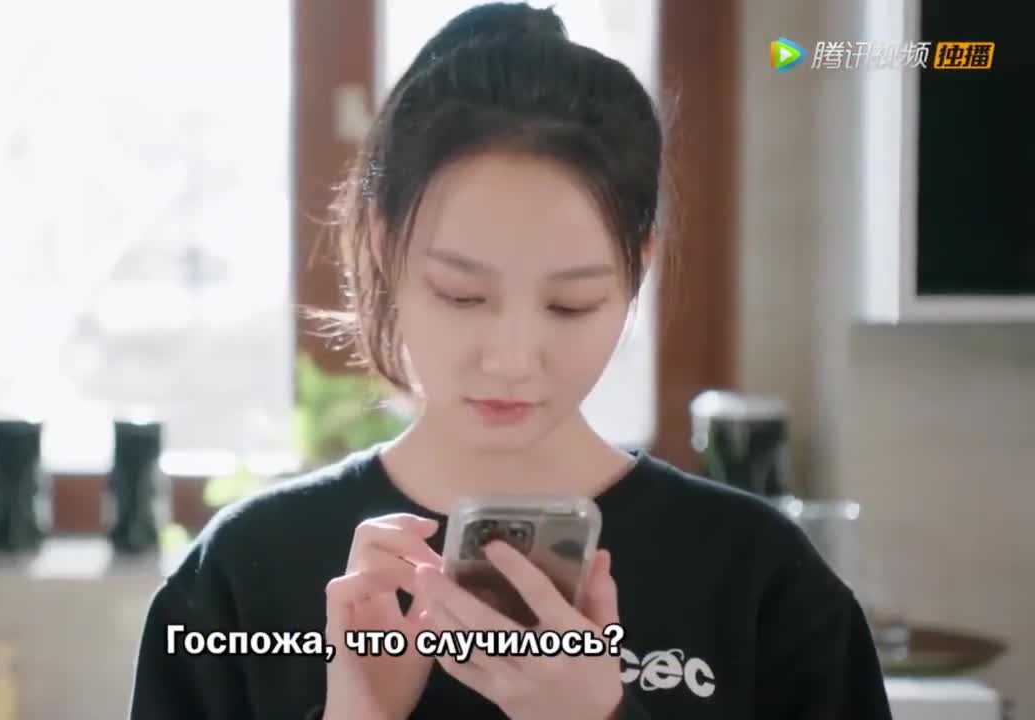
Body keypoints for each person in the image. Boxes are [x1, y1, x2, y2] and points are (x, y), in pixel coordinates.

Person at [128, 3, 894, 718]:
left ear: (639, 269)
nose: (514, 360)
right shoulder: (244, 574)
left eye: (570, 305)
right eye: (463, 296)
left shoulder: (760, 580)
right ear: (381, 249)